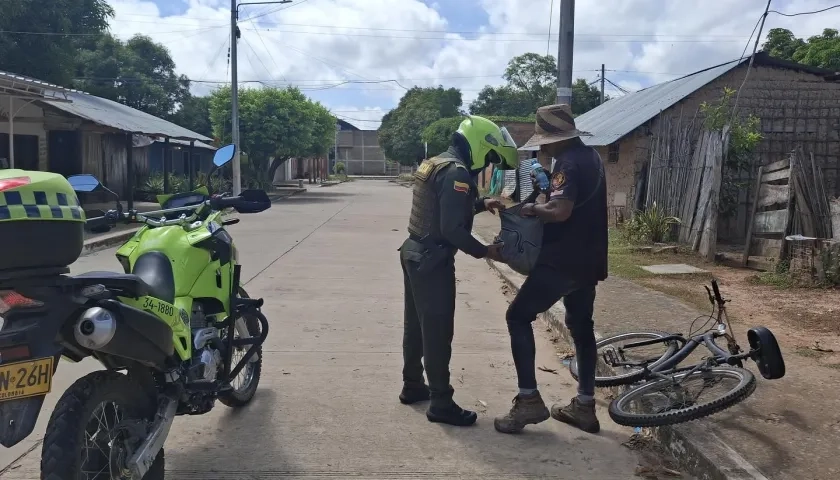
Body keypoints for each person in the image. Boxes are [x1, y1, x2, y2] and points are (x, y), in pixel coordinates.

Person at [493, 104, 608, 435]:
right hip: (589, 261)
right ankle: (585, 407)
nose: (542, 147)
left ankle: (528, 401)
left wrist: (532, 208)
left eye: (544, 141)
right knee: (582, 328)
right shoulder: (592, 159)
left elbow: (559, 211)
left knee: (517, 317)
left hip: (562, 261)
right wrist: (545, 190)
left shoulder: (568, 163)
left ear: (557, 138)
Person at [399, 115, 519, 426]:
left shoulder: (437, 162)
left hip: (413, 251)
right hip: (433, 260)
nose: (488, 164)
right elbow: (452, 229)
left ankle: (413, 384)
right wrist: (486, 252)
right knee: (438, 331)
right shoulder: (458, 173)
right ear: (480, 145)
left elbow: (442, 207)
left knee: (416, 324)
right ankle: (441, 402)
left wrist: (482, 204)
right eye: (490, 156)